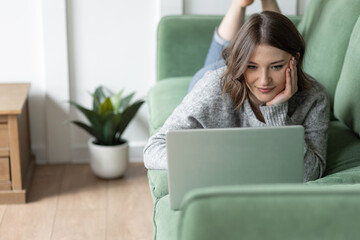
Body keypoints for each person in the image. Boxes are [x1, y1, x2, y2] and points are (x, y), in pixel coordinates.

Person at [144, 0, 330, 182]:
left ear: (295, 60)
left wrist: (276, 112)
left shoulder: (315, 97)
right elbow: (153, 148)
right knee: (219, 61)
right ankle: (238, 4)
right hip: (215, 77)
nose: (264, 80)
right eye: (252, 66)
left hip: (236, 69)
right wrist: (211, 163)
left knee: (268, 32)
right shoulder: (212, 86)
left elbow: (310, 174)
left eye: (276, 67)